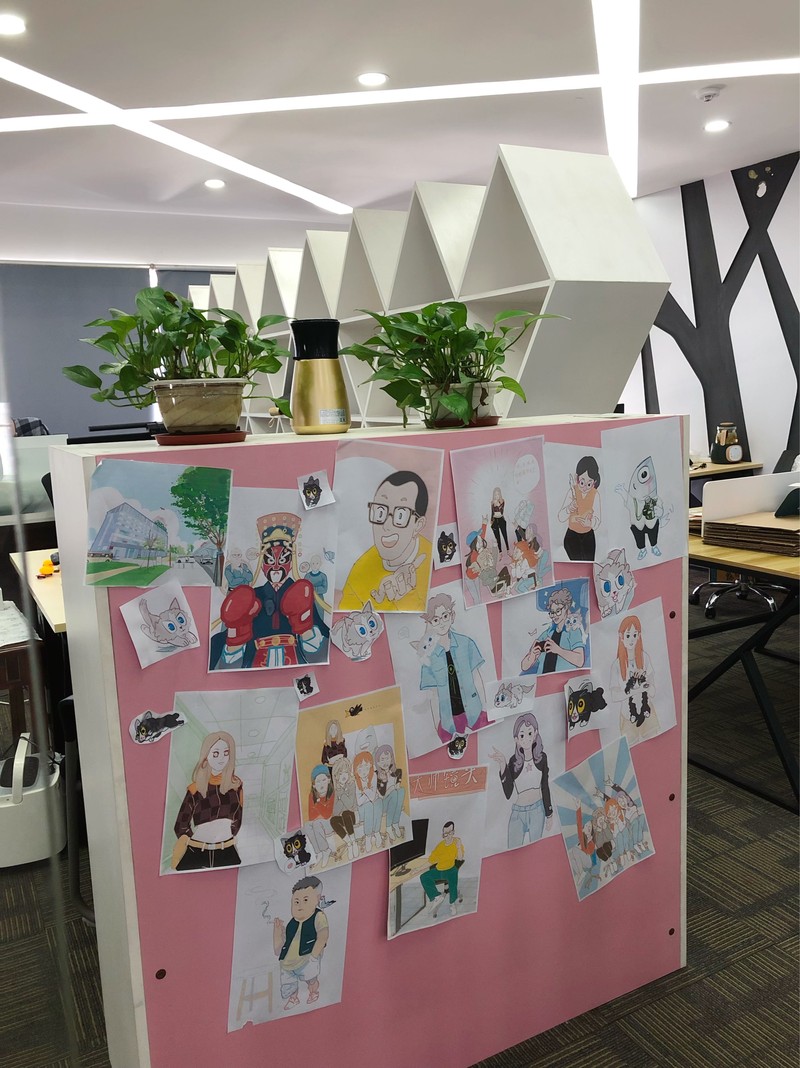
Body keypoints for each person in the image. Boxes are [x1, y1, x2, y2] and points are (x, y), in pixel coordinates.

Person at [210, 511, 329, 670]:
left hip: (296, 664)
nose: (276, 567)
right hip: (254, 665)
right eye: (270, 560)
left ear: (291, 562)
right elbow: (224, 657)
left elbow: (322, 654)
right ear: (262, 562)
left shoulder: (301, 595)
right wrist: (235, 641)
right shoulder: (252, 597)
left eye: (283, 560)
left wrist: (307, 631)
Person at [340, 470, 432, 612]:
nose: (386, 525)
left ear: (418, 525)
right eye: (380, 512)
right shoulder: (359, 572)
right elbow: (347, 620)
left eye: (400, 515)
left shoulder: (433, 560)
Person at [417, 592, 490, 757]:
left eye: (445, 616)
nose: (442, 622)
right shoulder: (428, 658)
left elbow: (477, 677)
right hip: (449, 721)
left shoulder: (466, 643)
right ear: (429, 624)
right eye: (436, 620)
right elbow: (432, 695)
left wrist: (486, 707)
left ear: (452, 615)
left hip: (475, 713)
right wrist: (437, 725)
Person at [172, 732, 243, 871]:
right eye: (216, 753)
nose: (221, 758)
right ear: (206, 756)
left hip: (227, 850)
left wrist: (224, 834)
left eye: (226, 753)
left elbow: (238, 820)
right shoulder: (195, 789)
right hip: (197, 851)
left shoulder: (236, 787)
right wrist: (198, 840)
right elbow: (180, 826)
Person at [489, 712, 553, 849]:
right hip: (517, 812)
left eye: (530, 733)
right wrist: (503, 765)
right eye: (522, 735)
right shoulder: (514, 762)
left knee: (536, 851)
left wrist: (549, 813)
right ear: (516, 739)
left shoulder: (542, 758)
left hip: (537, 810)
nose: (526, 739)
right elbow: (508, 793)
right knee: (512, 851)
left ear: (535, 734)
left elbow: (545, 786)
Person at [273, 875, 329, 1009]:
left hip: (307, 959)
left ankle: (313, 993)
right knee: (289, 985)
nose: (300, 906)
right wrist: (277, 933)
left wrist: (314, 956)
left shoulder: (318, 916)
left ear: (318, 899)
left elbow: (323, 936)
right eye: (296, 902)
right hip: (287, 964)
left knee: (311, 980)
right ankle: (294, 999)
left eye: (305, 900)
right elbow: (278, 950)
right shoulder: (291, 924)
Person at [610, 615, 661, 744]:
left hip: (647, 712)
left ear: (639, 635)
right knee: (630, 750)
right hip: (627, 716)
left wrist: (645, 683)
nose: (631, 639)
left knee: (655, 746)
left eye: (634, 635)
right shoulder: (617, 665)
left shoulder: (645, 658)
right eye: (627, 635)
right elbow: (614, 696)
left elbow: (653, 692)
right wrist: (635, 690)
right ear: (621, 637)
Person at [521, 588, 586, 675]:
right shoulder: (547, 634)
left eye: (558, 611)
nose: (554, 615)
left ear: (566, 608)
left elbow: (580, 661)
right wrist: (532, 656)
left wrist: (558, 650)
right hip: (543, 680)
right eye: (552, 612)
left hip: (563, 679)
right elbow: (524, 667)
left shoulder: (573, 631)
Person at [557, 455, 601, 561]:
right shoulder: (572, 491)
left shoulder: (595, 494)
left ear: (594, 482)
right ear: (577, 478)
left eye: (589, 484)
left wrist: (590, 523)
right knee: (575, 563)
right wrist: (568, 509)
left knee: (589, 563)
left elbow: (598, 520)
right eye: (582, 482)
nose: (585, 487)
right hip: (572, 535)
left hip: (588, 536)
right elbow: (561, 517)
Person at [419, 821, 464, 917]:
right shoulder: (440, 845)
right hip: (439, 870)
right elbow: (431, 859)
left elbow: (460, 858)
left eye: (450, 833)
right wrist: (418, 868)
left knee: (453, 882)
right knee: (424, 877)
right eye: (445, 834)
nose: (447, 836)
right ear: (442, 834)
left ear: (453, 832)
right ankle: (436, 896)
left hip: (451, 869)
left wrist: (459, 847)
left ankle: (452, 904)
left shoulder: (456, 842)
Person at [374, 743, 405, 842]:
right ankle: (388, 826)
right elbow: (382, 795)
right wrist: (389, 786)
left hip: (393, 801)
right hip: (382, 804)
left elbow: (400, 773)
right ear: (377, 762)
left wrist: (397, 784)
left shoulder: (395, 772)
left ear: (391, 758)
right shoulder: (376, 775)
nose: (385, 762)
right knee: (394, 793)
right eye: (382, 759)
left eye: (387, 758)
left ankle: (395, 823)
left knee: (401, 791)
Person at [330, 757, 359, 861]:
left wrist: (341, 795)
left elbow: (350, 805)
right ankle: (349, 843)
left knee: (346, 813)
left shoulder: (351, 785)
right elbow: (335, 812)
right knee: (333, 820)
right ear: (336, 776)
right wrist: (341, 794)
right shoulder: (337, 790)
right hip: (344, 818)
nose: (343, 776)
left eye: (346, 772)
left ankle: (354, 841)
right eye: (340, 773)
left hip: (354, 816)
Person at [306, 764, 334, 869]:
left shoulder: (332, 793)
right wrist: (321, 808)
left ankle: (326, 850)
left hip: (331, 823)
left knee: (317, 823)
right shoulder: (311, 796)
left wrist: (318, 803)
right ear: (314, 785)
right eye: (318, 781)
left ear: (328, 780)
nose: (321, 784)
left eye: (323, 780)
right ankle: (318, 852)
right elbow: (311, 816)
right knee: (307, 825)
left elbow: (327, 815)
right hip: (320, 823)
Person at [353, 751, 381, 852]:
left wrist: (365, 791)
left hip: (372, 803)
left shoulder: (373, 776)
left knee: (378, 802)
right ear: (356, 769)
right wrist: (368, 792)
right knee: (369, 805)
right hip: (362, 809)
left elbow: (373, 797)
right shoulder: (356, 781)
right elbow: (359, 802)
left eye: (366, 766)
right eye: (360, 767)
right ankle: (368, 836)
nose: (363, 770)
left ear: (370, 766)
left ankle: (376, 832)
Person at [490, 487, 509, 553]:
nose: (496, 496)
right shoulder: (492, 502)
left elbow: (501, 511)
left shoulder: (502, 501)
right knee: (497, 537)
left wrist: (497, 504)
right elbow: (492, 512)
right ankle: (500, 551)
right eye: (495, 494)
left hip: (501, 519)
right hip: (495, 520)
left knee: (505, 535)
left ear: (500, 494)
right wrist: (491, 520)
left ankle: (508, 549)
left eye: (498, 494)